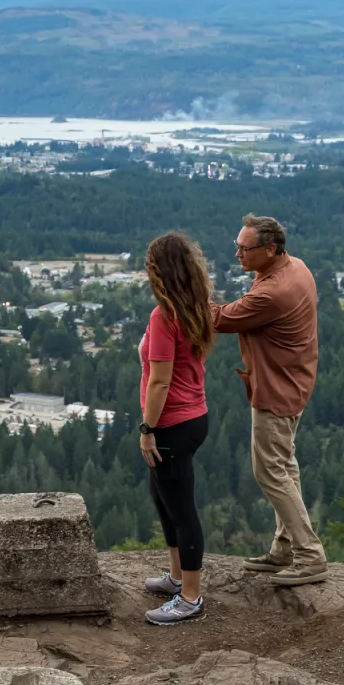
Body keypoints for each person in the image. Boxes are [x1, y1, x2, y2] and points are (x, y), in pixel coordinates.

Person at [211, 213, 328, 587]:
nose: (238, 255)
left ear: (270, 249)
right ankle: (284, 549)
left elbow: (218, 319)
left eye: (244, 249)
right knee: (285, 466)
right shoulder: (298, 268)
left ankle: (309, 555)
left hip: (276, 389)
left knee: (269, 472)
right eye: (237, 246)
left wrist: (185, 291)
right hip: (293, 382)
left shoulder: (272, 292)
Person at [137, 232, 214, 625]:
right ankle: (176, 577)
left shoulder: (163, 316)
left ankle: (191, 597)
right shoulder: (195, 306)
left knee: (181, 509)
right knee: (163, 496)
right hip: (193, 416)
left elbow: (160, 381)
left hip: (172, 422)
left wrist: (147, 428)